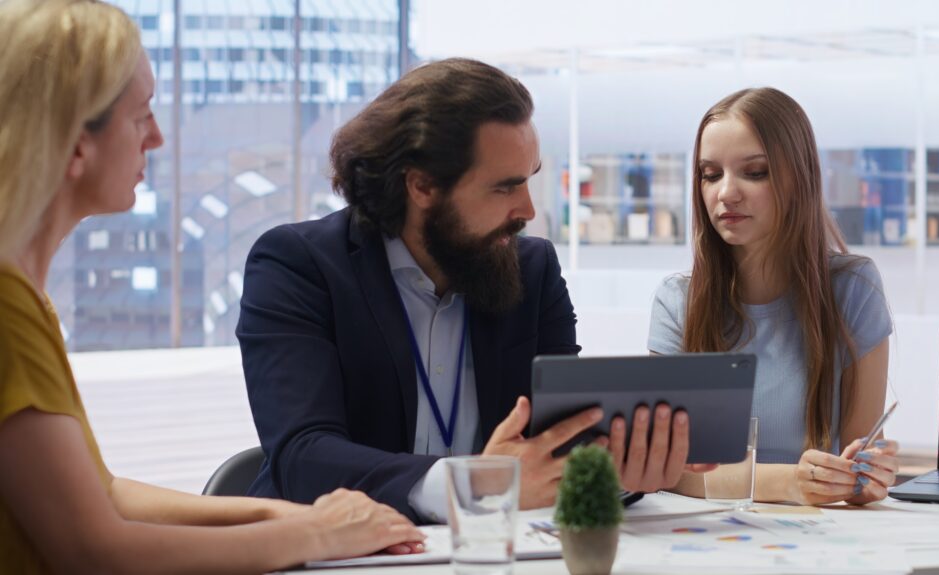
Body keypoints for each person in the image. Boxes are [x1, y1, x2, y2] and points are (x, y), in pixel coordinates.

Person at [0, 1, 425, 572]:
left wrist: (282, 515)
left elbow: (101, 493)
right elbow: (92, 549)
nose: (156, 138)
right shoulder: (8, 306)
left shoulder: (26, 297)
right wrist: (314, 536)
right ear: (77, 140)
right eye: (141, 116)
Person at [237, 57, 714, 524]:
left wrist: (621, 469)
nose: (527, 210)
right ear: (422, 186)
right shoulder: (298, 265)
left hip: (499, 549)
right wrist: (477, 484)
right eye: (504, 188)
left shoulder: (533, 270)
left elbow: (558, 443)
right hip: (339, 550)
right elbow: (304, 457)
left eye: (529, 180)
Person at [648, 87, 900, 506]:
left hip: (819, 535)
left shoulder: (854, 288)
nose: (726, 193)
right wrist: (790, 483)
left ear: (799, 179)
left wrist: (865, 478)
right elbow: (667, 471)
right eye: (711, 174)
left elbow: (859, 461)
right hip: (708, 534)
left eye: (755, 172)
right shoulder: (677, 301)